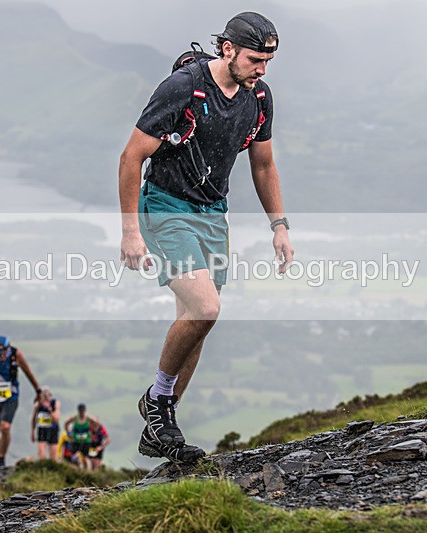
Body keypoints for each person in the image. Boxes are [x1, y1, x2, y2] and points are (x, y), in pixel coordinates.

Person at [118, 12, 293, 463]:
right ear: (228, 49)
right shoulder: (185, 88)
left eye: (269, 61)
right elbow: (132, 156)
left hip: (213, 213)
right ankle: (157, 401)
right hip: (166, 207)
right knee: (206, 308)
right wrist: (130, 230)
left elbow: (263, 165)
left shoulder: (259, 97)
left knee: (196, 325)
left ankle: (161, 426)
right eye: (256, 59)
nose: (263, 70)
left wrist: (279, 226)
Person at [0, 335, 42, 469]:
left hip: (11, 396)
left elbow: (28, 372)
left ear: (8, 348)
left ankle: (1, 457)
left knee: (5, 426)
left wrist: (38, 391)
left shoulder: (16, 354)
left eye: (3, 351)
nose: (0, 354)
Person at [63, 403, 99, 470]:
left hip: (86, 441)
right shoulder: (74, 418)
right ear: (78, 411)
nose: (81, 413)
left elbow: (97, 423)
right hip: (76, 440)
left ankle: (87, 472)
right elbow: (66, 423)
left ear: (85, 411)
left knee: (85, 458)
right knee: (74, 457)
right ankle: (75, 470)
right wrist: (68, 433)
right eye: (80, 412)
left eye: (83, 412)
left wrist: (93, 431)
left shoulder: (88, 418)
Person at [30, 386, 60, 461]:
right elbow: (34, 418)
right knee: (41, 455)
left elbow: (56, 419)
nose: (46, 398)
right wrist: (32, 432)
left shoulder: (55, 403)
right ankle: (42, 468)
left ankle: (52, 470)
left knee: (53, 457)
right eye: (44, 396)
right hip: (42, 429)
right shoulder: (38, 405)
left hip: (53, 429)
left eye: (48, 396)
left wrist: (49, 410)